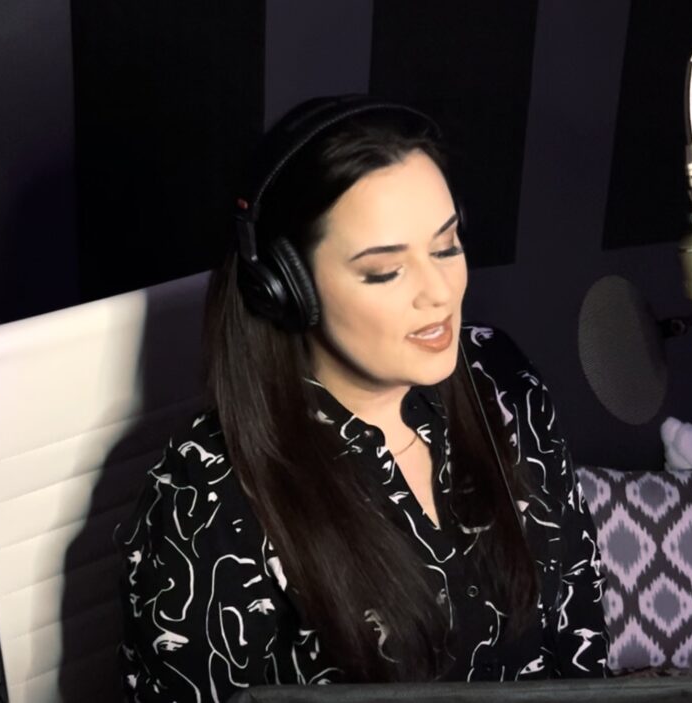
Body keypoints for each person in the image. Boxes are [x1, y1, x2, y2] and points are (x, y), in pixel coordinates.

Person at [115, 95, 608, 700]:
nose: (440, 293)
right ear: (286, 287)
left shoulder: (500, 378)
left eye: (447, 246)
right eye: (385, 271)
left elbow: (579, 626)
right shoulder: (205, 498)